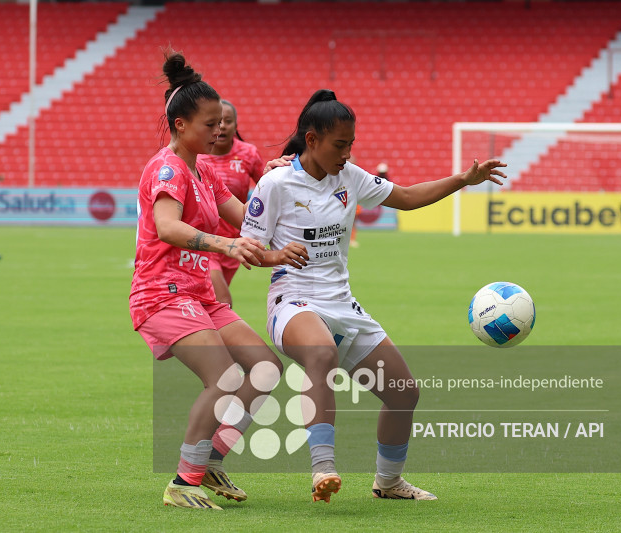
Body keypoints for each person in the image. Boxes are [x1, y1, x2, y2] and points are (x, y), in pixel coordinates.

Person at [240, 89, 506, 503]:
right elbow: (247, 249)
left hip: (342, 304)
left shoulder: (350, 176)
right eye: (339, 145)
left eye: (351, 145)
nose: (346, 154)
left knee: (404, 393)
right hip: (291, 301)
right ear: (312, 140)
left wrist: (462, 180)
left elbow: (407, 198)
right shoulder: (275, 183)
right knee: (321, 353)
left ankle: (389, 482)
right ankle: (323, 468)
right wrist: (276, 254)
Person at [130, 51, 308, 510]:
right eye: (210, 124)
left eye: (221, 122)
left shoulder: (204, 169)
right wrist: (224, 245)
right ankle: (182, 482)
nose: (220, 131)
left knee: (265, 368)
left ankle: (209, 460)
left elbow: (245, 219)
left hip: (197, 293)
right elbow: (168, 227)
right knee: (225, 376)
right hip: (162, 295)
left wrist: (271, 242)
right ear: (180, 125)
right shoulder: (167, 168)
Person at [197, 100, 265, 307]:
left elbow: (266, 188)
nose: (223, 126)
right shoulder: (196, 156)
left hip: (235, 242)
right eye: (218, 122)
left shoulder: (248, 154)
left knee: (208, 303)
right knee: (223, 303)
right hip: (204, 241)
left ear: (236, 125)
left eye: (228, 121)